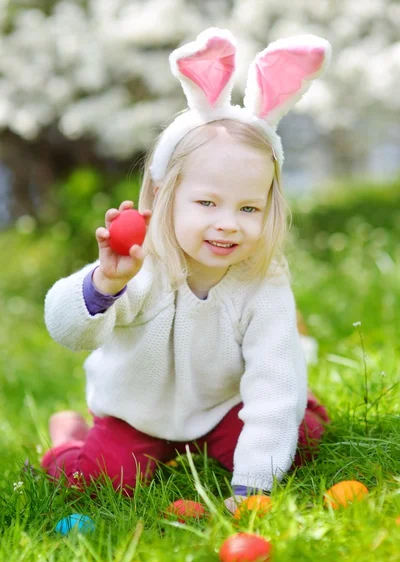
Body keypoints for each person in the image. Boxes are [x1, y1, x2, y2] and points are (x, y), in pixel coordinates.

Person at [41, 28, 331, 513]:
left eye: (248, 208)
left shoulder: (263, 282)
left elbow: (273, 380)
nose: (228, 224)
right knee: (96, 480)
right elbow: (67, 329)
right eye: (207, 202)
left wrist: (252, 487)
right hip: (138, 414)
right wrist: (105, 283)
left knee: (296, 440)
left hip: (221, 408)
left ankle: (304, 410)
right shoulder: (140, 266)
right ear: (164, 197)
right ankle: (67, 434)